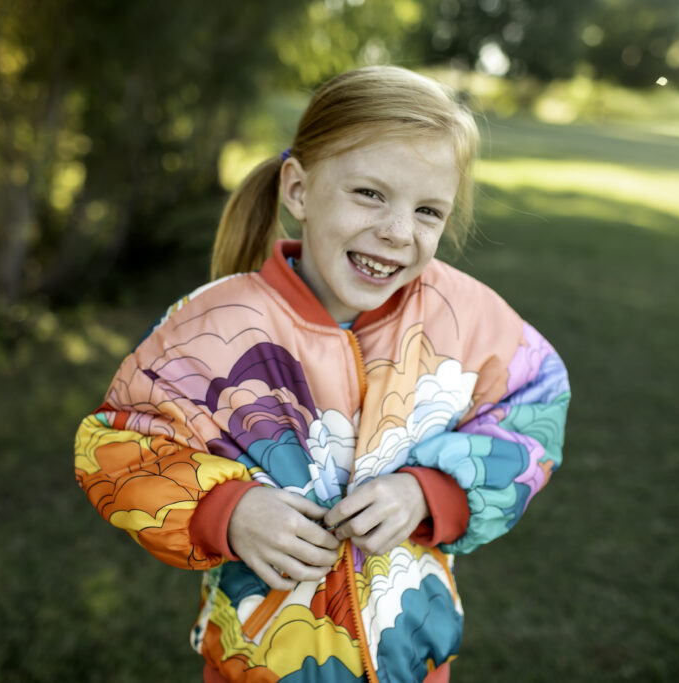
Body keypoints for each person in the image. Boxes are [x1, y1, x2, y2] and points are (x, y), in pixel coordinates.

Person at [74, 65, 570, 683]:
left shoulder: (463, 318)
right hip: (257, 665)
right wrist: (229, 510)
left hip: (412, 661)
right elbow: (117, 444)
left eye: (428, 211)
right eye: (369, 194)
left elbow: (535, 404)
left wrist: (430, 490)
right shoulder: (216, 325)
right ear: (299, 190)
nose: (397, 231)